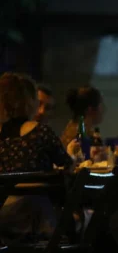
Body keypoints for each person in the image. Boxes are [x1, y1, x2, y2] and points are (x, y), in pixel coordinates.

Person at [0, 73, 74, 240]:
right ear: (29, 101)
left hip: (3, 215)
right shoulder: (41, 132)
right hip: (36, 216)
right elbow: (67, 165)